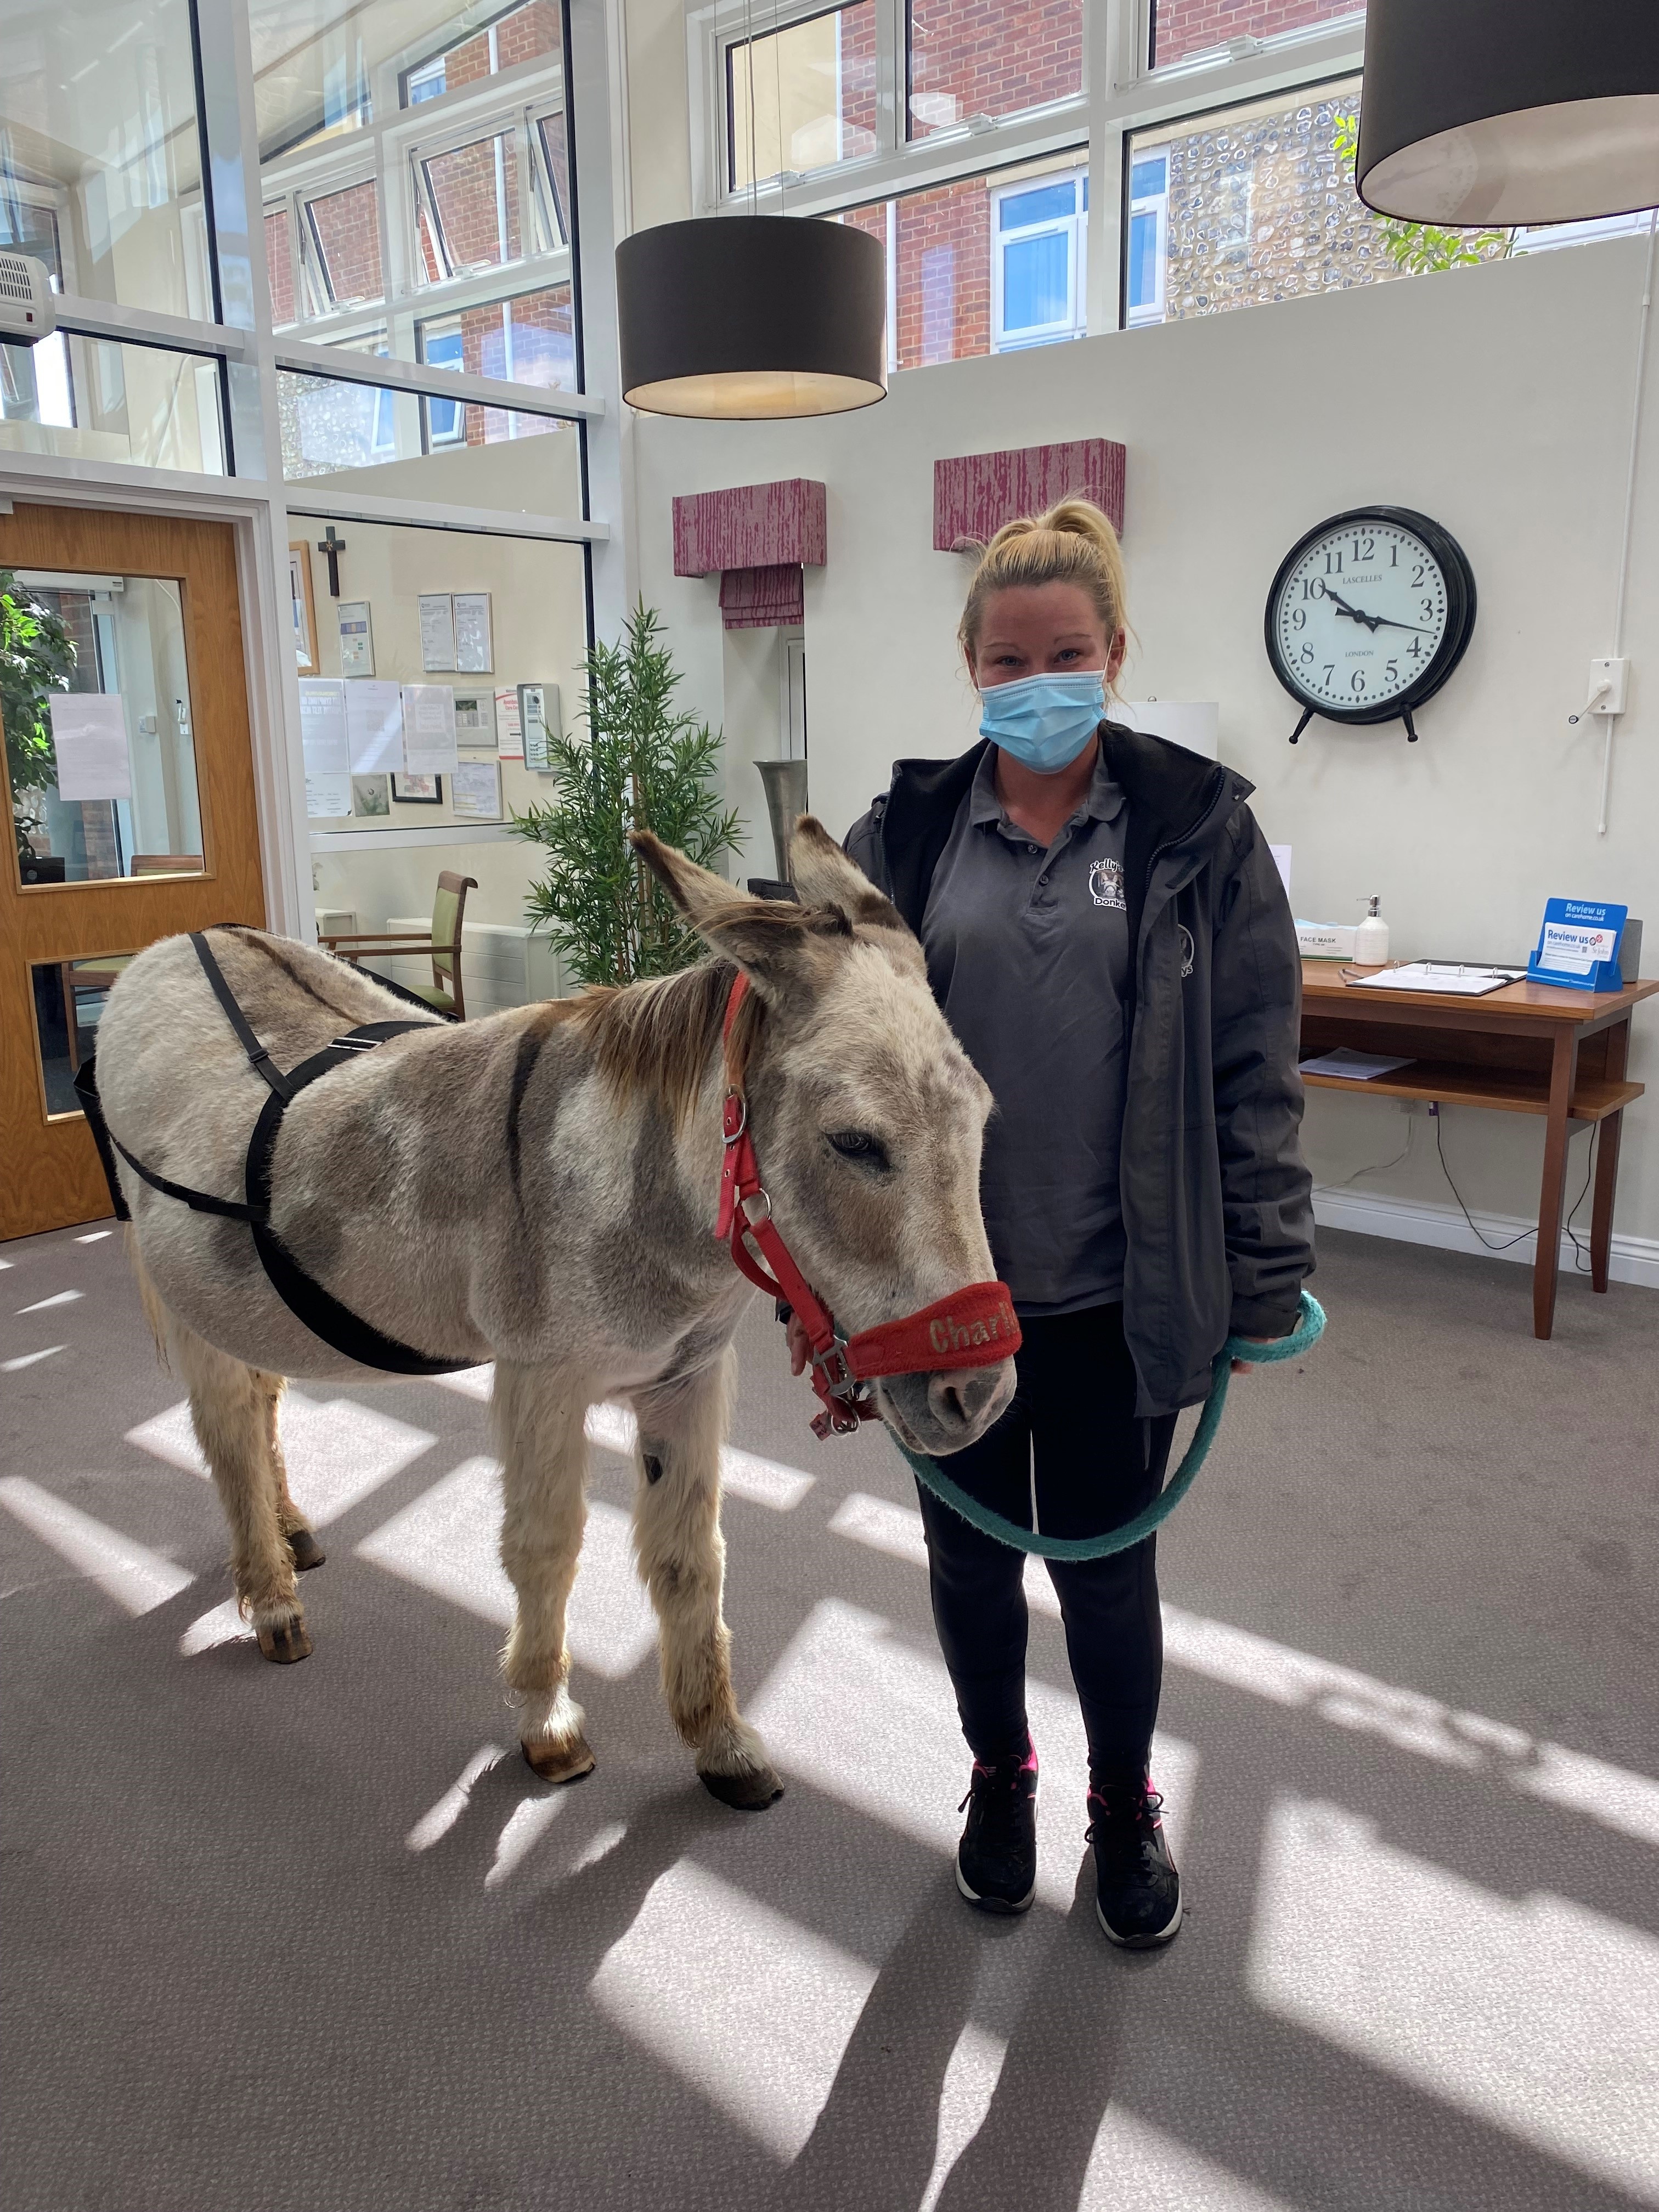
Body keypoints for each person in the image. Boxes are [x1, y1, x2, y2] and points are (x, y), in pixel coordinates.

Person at [810, 499, 1314, 1948]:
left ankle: (1120, 1810)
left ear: (1114, 653)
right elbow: (824, 1072)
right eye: (1008, 657)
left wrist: (1268, 1276)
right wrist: (831, 1286)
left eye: (1069, 651)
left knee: (1104, 1572)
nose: (1039, 678)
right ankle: (999, 1781)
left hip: (1112, 1284)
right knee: (969, 1560)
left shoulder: (1198, 831)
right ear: (971, 666)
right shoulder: (898, 834)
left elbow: (1253, 1069)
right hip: (943, 1290)